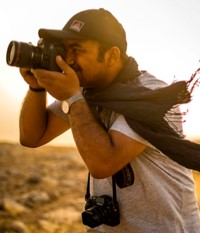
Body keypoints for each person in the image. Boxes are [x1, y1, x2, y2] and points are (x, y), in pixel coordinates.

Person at [18, 8, 200, 233]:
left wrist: (73, 97)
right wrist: (36, 87)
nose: (69, 59)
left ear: (112, 55)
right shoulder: (89, 92)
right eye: (66, 50)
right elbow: (32, 137)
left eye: (77, 49)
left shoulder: (151, 96)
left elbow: (103, 163)